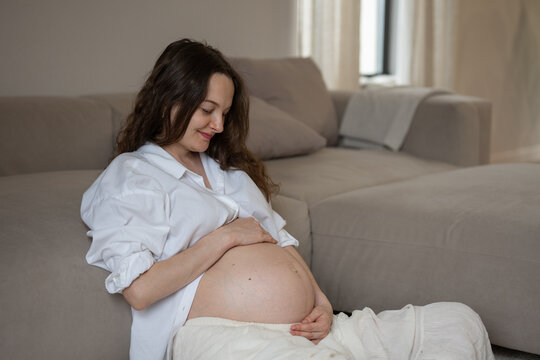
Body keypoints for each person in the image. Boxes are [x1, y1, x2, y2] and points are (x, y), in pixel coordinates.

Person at [81, 39, 495, 360]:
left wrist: (320, 301)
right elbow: (139, 289)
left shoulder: (229, 175)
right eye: (207, 109)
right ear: (170, 99)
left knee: (460, 322)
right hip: (230, 340)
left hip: (312, 331)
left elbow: (280, 242)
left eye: (224, 112)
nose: (219, 124)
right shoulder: (134, 175)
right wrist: (224, 239)